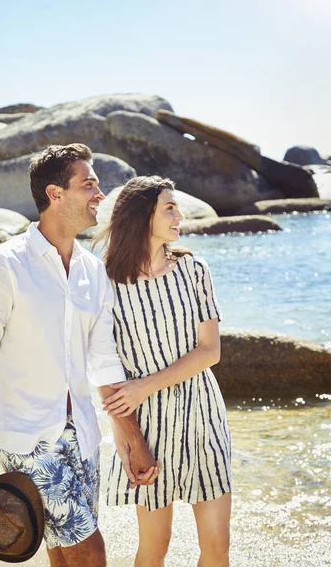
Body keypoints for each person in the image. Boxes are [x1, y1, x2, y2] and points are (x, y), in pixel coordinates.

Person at [0, 144, 159, 567]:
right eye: (88, 185)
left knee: (62, 552)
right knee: (90, 550)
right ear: (54, 194)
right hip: (25, 437)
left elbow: (104, 362)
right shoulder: (2, 266)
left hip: (83, 435)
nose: (99, 195)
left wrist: (131, 439)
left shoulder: (93, 272)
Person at [98, 175, 232, 567]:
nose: (179, 215)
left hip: (203, 415)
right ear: (144, 216)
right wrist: (126, 435)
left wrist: (144, 386)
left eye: (177, 207)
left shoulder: (193, 270)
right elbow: (101, 365)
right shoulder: (106, 283)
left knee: (216, 547)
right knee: (155, 546)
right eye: (169, 208)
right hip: (149, 426)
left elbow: (210, 352)